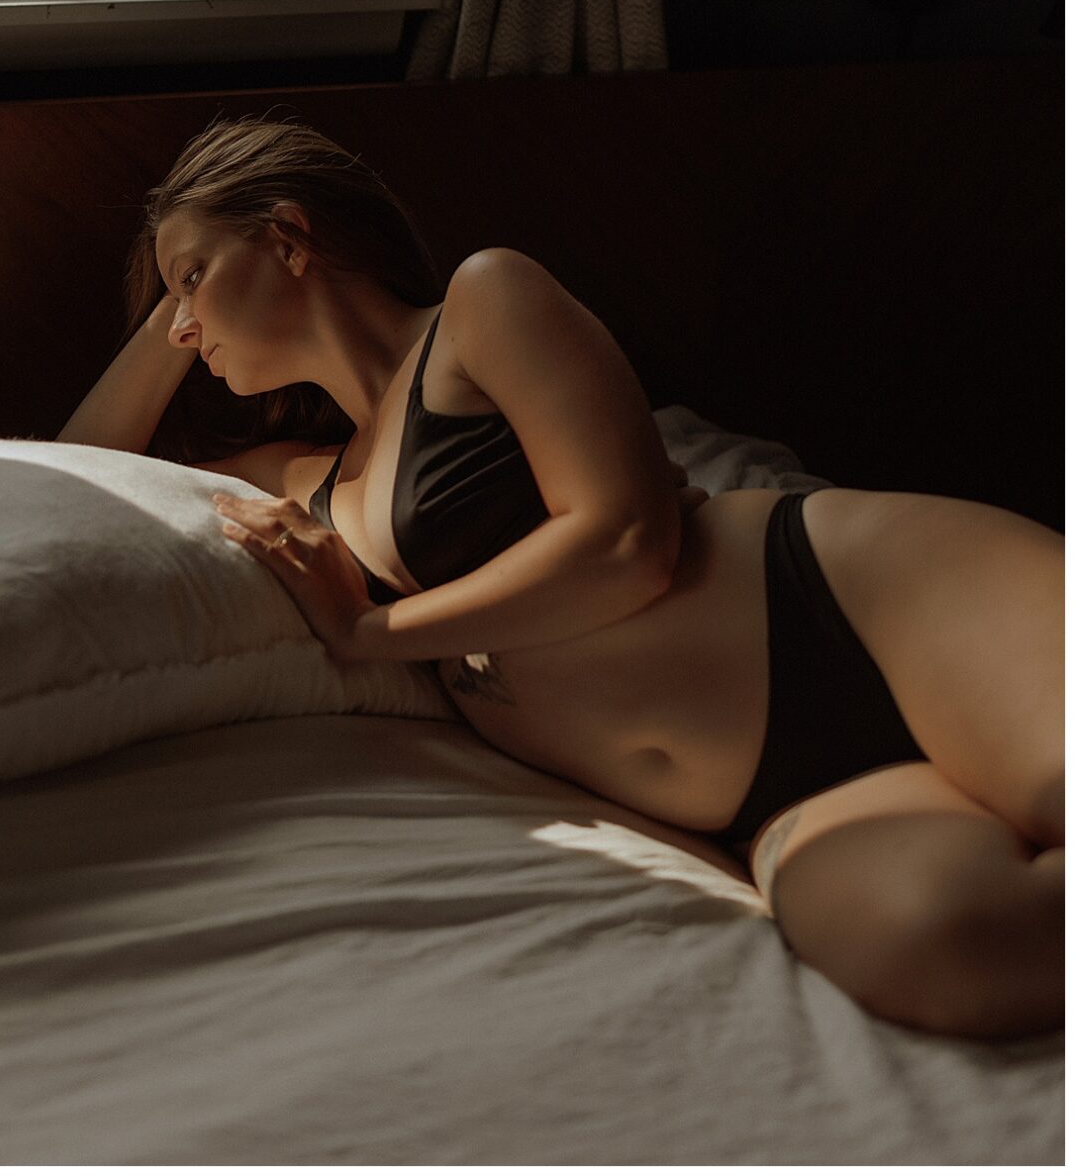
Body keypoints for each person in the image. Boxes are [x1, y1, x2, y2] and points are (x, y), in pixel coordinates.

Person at [59, 113, 1063, 1041]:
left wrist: (372, 632)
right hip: (777, 792)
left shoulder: (484, 305)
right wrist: (170, 305)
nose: (183, 325)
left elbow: (628, 543)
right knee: (960, 951)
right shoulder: (304, 487)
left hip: (866, 598)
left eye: (191, 280)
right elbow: (74, 474)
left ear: (288, 235)